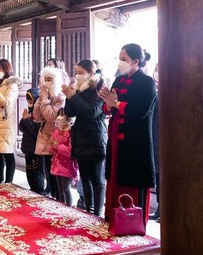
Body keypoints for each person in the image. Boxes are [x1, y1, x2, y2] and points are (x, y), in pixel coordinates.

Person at [99, 43, 156, 224]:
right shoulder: (119, 80)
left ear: (136, 61)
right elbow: (109, 107)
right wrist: (108, 103)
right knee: (114, 173)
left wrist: (116, 104)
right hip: (115, 136)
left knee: (132, 176)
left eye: (124, 59)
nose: (120, 63)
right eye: (120, 58)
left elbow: (141, 111)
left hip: (135, 139)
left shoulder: (146, 82)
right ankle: (113, 215)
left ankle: (132, 219)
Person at [62, 59, 107, 216]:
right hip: (80, 137)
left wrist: (74, 96)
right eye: (76, 72)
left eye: (81, 73)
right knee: (85, 178)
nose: (77, 76)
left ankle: (98, 211)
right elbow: (71, 112)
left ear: (91, 73)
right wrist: (70, 96)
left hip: (95, 138)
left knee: (96, 178)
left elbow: (92, 111)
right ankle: (88, 210)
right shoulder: (78, 90)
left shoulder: (100, 88)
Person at [34, 66, 65, 198]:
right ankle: (52, 196)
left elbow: (51, 117)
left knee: (56, 173)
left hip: (57, 139)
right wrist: (41, 99)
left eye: (50, 79)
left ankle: (59, 198)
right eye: (45, 79)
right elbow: (36, 117)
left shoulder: (61, 97)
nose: (47, 82)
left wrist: (45, 100)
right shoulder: (44, 95)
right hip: (45, 137)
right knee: (48, 170)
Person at [49, 108, 78, 206]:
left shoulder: (70, 133)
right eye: (59, 114)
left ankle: (69, 207)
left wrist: (58, 146)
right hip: (57, 163)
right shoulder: (57, 132)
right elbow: (52, 148)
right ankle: (62, 207)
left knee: (66, 188)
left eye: (63, 114)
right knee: (60, 189)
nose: (60, 117)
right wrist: (52, 145)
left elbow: (70, 151)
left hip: (67, 165)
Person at [18, 88, 45, 193]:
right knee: (29, 171)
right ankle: (32, 189)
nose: (29, 101)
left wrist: (27, 119)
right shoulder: (29, 111)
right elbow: (21, 128)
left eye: (30, 99)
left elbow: (35, 130)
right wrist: (24, 119)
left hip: (36, 147)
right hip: (27, 147)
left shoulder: (39, 112)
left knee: (37, 171)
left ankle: (39, 191)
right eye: (28, 99)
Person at [149, 63, 160, 223]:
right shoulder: (156, 92)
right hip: (154, 135)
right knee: (158, 175)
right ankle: (159, 208)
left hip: (162, 136)